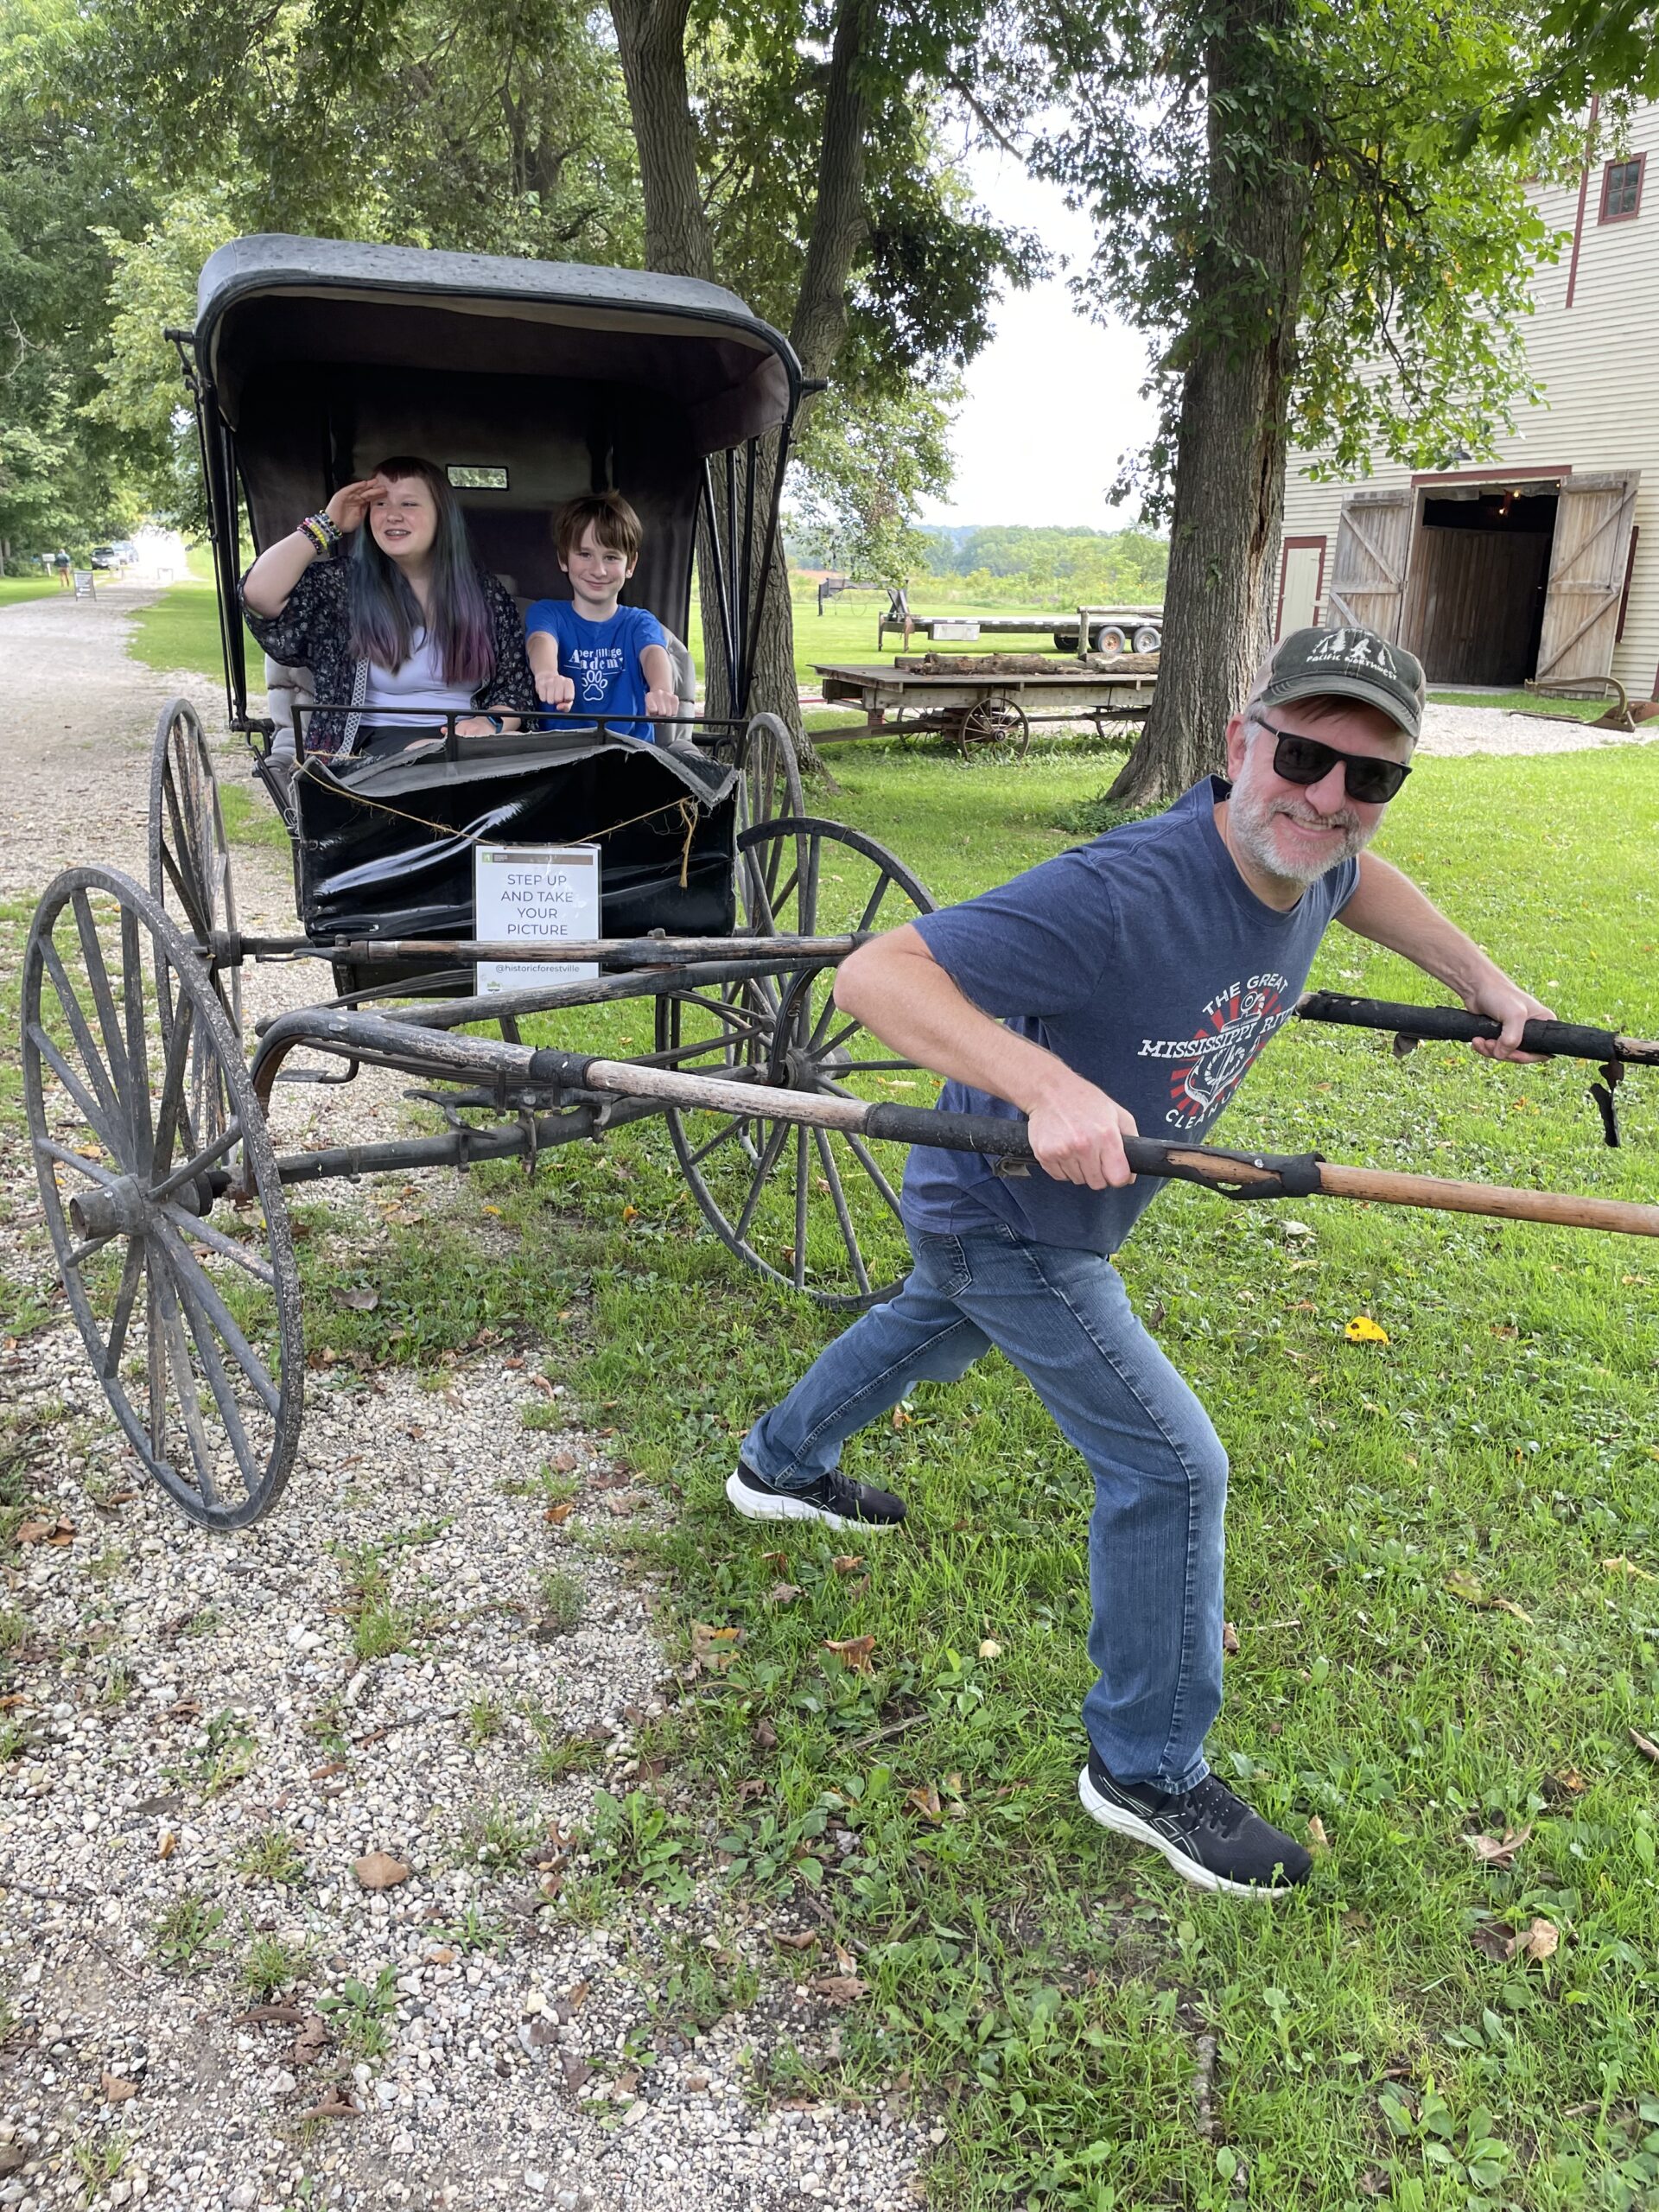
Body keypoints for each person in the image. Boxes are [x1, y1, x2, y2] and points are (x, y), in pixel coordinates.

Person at [727, 626, 1555, 1902]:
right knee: (1171, 1465)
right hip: (1006, 1209)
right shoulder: (1124, 890)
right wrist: (1045, 1084)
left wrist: (1480, 977)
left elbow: (1357, 881)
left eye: (1371, 777)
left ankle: (778, 1464)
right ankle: (1145, 1769)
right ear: (1240, 745)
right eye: (1303, 757)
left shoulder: (1313, 856)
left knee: (933, 1323)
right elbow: (876, 976)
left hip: (1031, 1217)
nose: (1328, 797)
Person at [240, 457, 536, 760]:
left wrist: (489, 723)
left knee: (529, 758)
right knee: (434, 757)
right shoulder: (344, 586)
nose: (393, 515)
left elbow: (515, 690)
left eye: (409, 504)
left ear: (442, 515)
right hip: (374, 742)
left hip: (467, 741)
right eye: (380, 504)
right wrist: (327, 524)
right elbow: (259, 595)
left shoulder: (484, 593)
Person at [524, 493, 680, 738]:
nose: (598, 570)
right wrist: (546, 674)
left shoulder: (639, 622)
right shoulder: (548, 613)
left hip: (629, 752)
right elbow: (540, 641)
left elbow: (653, 653)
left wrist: (661, 689)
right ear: (563, 559)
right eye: (585, 554)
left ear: (630, 565)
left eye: (611, 557)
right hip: (560, 754)